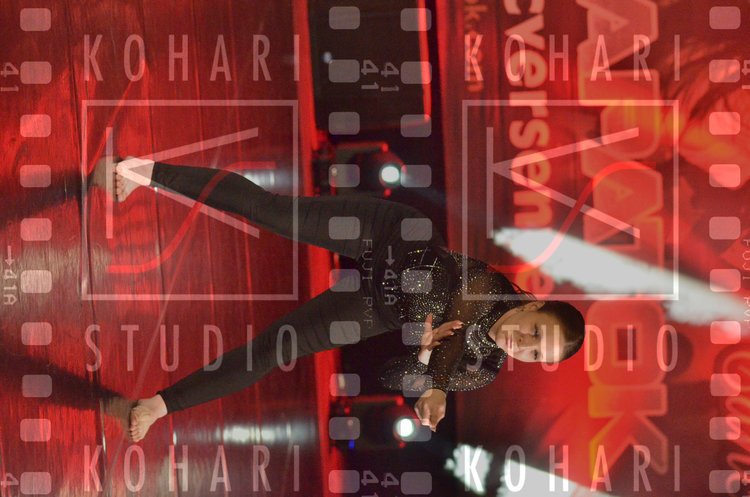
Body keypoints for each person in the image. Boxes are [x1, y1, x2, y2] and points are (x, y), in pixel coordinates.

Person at [91, 155, 585, 442]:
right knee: (272, 212)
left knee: (276, 349)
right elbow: (428, 281)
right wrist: (432, 372)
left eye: (533, 353)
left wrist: (421, 375)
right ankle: (144, 172)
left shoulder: (483, 369)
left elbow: (389, 373)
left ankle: (159, 405)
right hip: (389, 237)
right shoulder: (487, 287)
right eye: (535, 332)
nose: (523, 344)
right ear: (532, 306)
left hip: (376, 307)